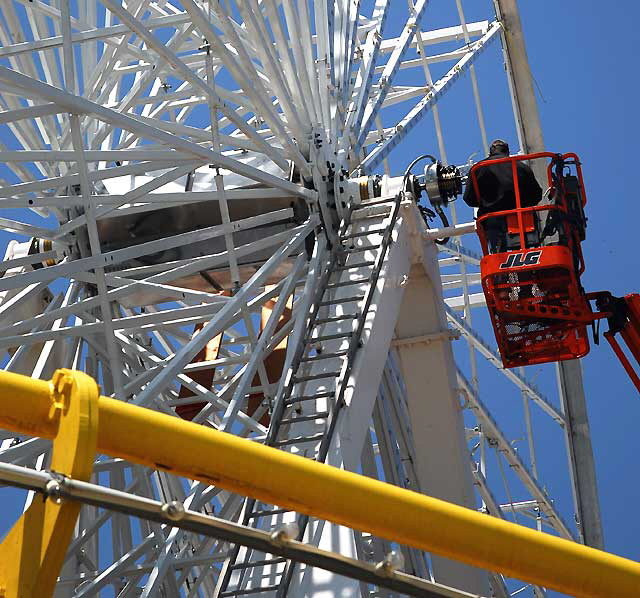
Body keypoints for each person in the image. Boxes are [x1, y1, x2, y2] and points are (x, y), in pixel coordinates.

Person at [463, 139, 542, 253]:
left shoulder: (478, 168)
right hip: (523, 221)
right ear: (507, 152)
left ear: (491, 152)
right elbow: (536, 195)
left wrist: (486, 201)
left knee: (499, 253)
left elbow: (469, 198)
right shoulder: (521, 167)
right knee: (528, 248)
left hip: (493, 220)